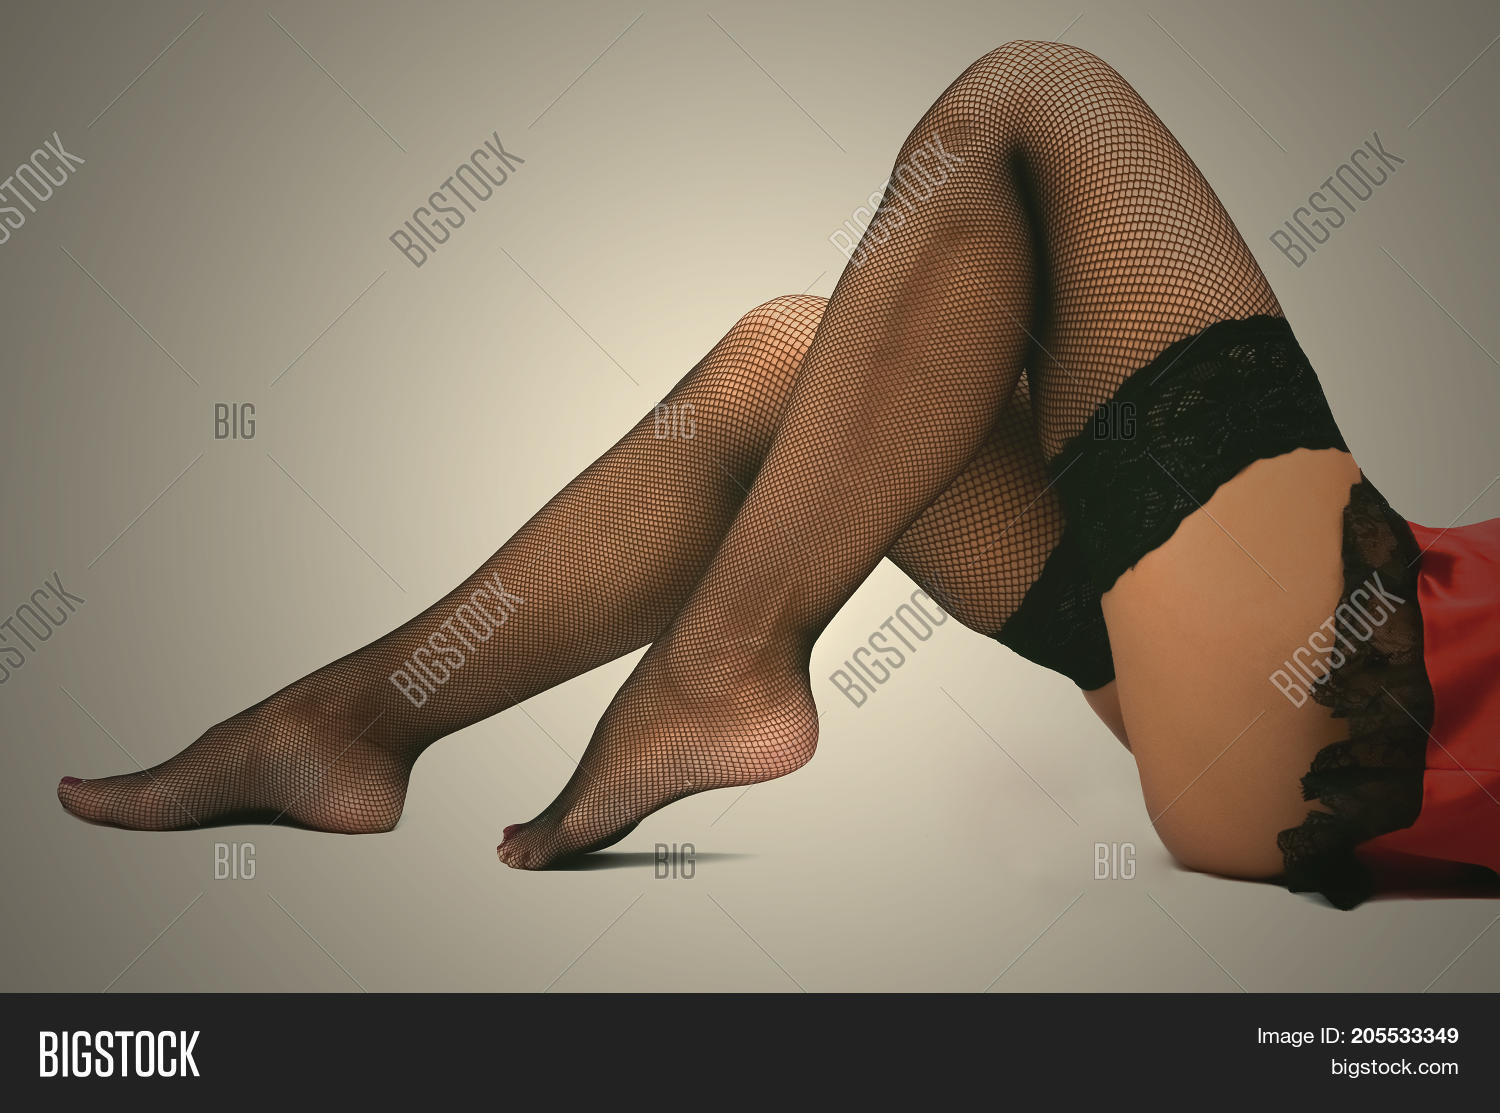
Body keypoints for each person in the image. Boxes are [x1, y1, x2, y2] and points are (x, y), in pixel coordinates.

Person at [58, 41, 1499, 909]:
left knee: (1033, 100)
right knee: (794, 358)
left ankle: (726, 669)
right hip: (1280, 661)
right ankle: (353, 727)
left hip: (1355, 699)